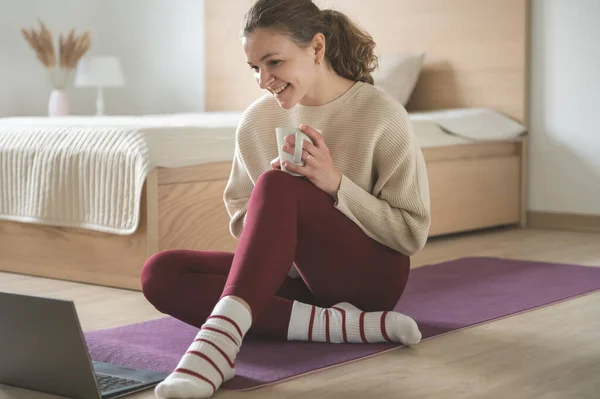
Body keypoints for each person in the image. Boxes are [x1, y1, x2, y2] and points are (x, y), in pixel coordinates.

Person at [142, 0, 431, 397]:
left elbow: (411, 233)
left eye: (274, 62)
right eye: (255, 68)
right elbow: (244, 221)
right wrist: (277, 210)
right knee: (161, 273)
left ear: (316, 48)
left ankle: (218, 348)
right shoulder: (256, 121)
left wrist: (333, 184)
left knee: (278, 186)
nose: (263, 80)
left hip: (370, 280)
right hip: (299, 281)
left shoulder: (382, 114)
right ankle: (354, 327)